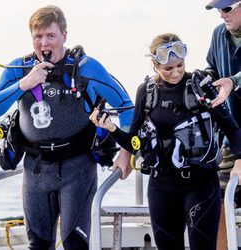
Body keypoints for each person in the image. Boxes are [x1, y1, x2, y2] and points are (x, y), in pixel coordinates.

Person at [0, 5, 134, 250]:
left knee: (74, 243)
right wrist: (24, 85)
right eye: (38, 36)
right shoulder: (20, 69)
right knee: (38, 244)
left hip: (77, 168)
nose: (44, 43)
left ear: (64, 36)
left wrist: (126, 154)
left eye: (51, 36)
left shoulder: (86, 67)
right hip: (36, 171)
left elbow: (126, 106)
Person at [89, 33, 241, 250]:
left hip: (200, 183)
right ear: (155, 65)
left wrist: (239, 160)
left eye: (179, 65)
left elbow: (232, 129)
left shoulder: (200, 87)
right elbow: (135, 142)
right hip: (161, 185)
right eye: (168, 69)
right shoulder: (146, 92)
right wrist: (111, 129)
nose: (175, 72)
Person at [205, 1, 241, 248]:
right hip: (231, 136)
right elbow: (212, 67)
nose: (221, 15)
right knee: (214, 201)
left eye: (227, 9)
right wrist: (204, 79)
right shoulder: (218, 34)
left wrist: (233, 81)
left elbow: (230, 80)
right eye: (218, 10)